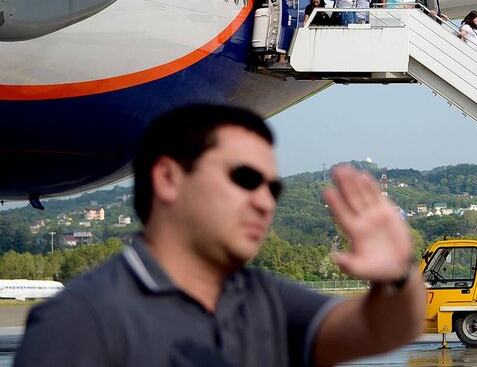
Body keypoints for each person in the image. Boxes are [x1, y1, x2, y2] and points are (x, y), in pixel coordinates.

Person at [15, 105, 423, 366]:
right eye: (244, 178)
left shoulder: (262, 298)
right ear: (169, 178)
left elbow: (382, 330)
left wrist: (398, 275)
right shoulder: (77, 323)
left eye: (272, 188)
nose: (265, 201)